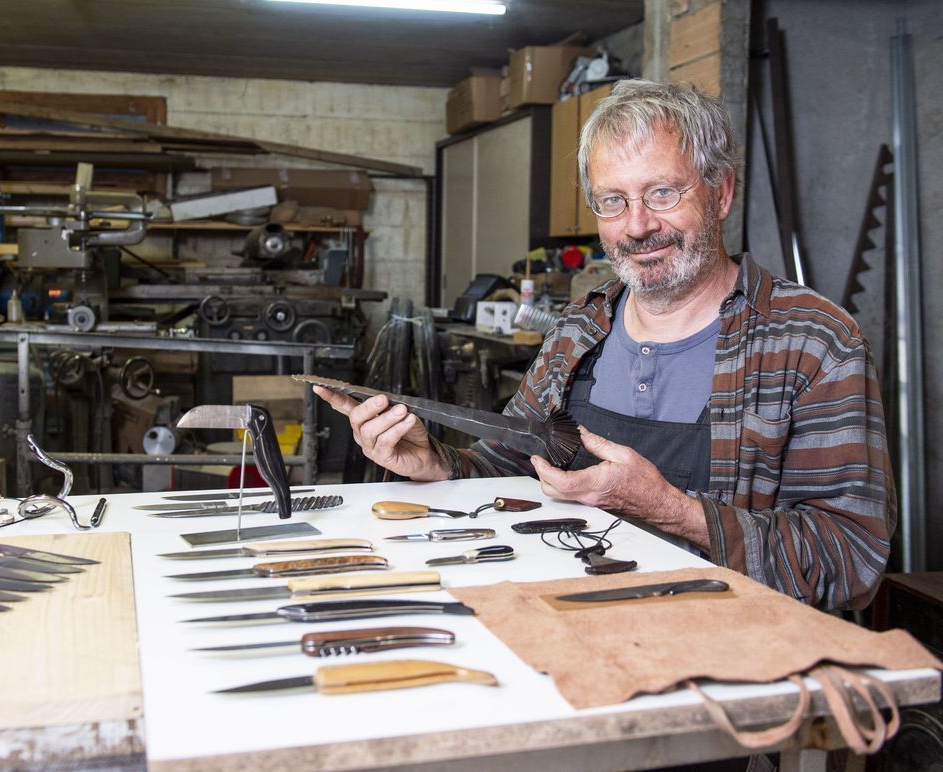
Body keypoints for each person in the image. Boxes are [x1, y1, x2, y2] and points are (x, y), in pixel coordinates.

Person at [315, 79, 895, 612]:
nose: (637, 226)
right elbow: (510, 466)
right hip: (573, 626)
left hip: (737, 660)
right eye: (612, 200)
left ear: (721, 194)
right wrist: (434, 463)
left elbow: (851, 560)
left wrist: (670, 510)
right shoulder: (580, 330)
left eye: (662, 193)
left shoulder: (814, 343)